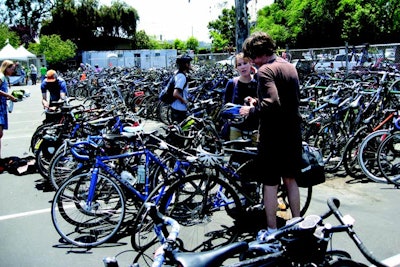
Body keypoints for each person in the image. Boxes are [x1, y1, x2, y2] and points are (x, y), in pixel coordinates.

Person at [241, 32, 302, 234]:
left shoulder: (265, 71)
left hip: (273, 136)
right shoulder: (289, 66)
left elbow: (273, 103)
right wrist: (259, 101)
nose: (252, 64)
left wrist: (253, 110)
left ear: (258, 55)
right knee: (291, 179)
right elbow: (285, 100)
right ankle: (297, 223)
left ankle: (271, 229)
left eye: (251, 58)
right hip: (293, 132)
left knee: (270, 183)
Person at [223, 52, 258, 141]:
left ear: (251, 64)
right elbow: (226, 107)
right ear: (236, 68)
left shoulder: (258, 82)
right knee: (235, 153)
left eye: (245, 63)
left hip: (255, 129)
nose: (243, 67)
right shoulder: (232, 83)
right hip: (236, 129)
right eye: (239, 64)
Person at [0, 60, 19, 158]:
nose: (13, 71)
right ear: (6, 68)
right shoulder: (1, 76)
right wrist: (9, 96)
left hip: (2, 107)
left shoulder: (5, 78)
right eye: (12, 69)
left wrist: (10, 97)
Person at [170, 55, 192, 123]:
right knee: (181, 131)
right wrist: (185, 101)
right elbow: (175, 93)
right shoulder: (182, 77)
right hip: (179, 110)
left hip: (174, 107)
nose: (190, 65)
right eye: (189, 63)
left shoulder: (177, 73)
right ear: (186, 64)